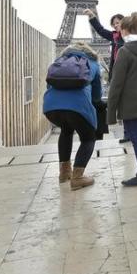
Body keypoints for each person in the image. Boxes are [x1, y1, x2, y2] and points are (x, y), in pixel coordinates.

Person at [43, 42, 102, 190]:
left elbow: (49, 85)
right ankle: (77, 177)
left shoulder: (59, 62)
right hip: (77, 107)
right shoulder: (92, 63)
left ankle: (64, 173)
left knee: (66, 130)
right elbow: (97, 95)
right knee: (88, 138)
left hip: (51, 107)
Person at [107, 12, 137, 186]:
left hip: (131, 103)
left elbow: (116, 84)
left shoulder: (125, 51)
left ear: (126, 30)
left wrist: (111, 113)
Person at [84, 8, 128, 143]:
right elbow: (101, 30)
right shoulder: (114, 37)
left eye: (118, 22)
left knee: (127, 105)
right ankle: (127, 133)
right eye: (114, 23)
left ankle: (130, 133)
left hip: (126, 76)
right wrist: (92, 17)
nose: (115, 25)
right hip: (117, 75)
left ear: (125, 23)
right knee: (123, 105)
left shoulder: (129, 38)